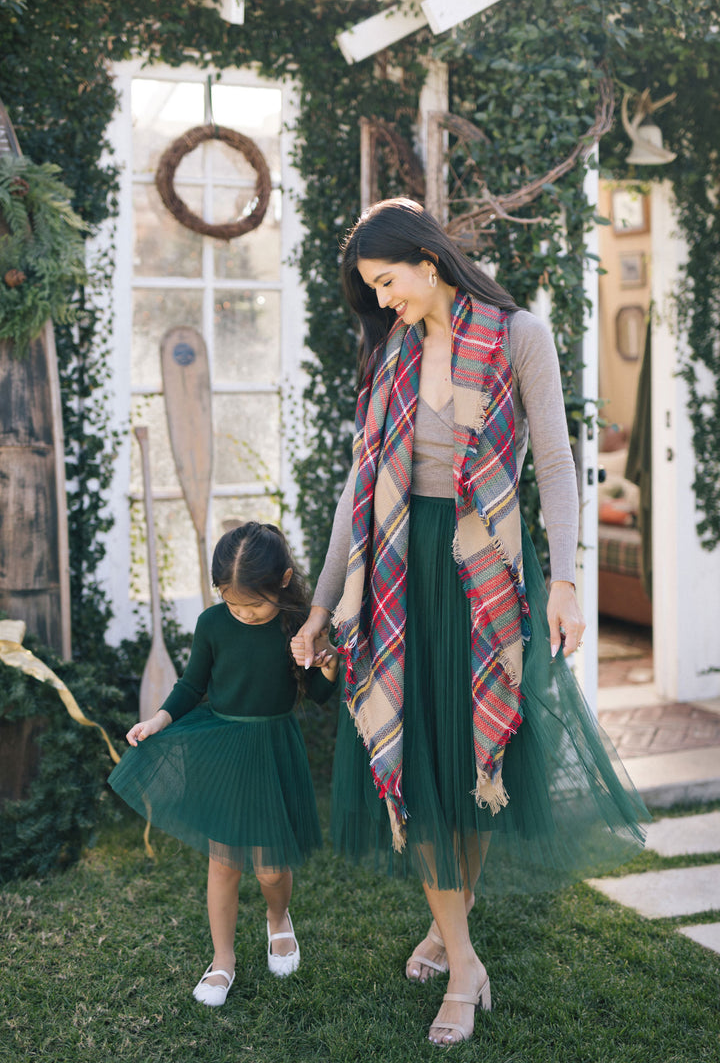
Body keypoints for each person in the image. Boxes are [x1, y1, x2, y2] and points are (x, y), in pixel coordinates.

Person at [291, 199, 648, 1046]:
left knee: (472, 760)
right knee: (416, 766)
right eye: (373, 290)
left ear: (428, 260)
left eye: (388, 282)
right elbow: (356, 491)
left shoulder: (520, 336)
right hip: (397, 576)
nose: (383, 301)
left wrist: (567, 582)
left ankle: (451, 924)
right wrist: (320, 605)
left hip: (486, 573)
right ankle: (462, 960)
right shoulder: (391, 351)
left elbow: (555, 463)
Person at [109, 522, 339, 1007]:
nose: (244, 614)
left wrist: (328, 663)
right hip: (223, 749)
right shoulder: (213, 624)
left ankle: (278, 918)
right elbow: (193, 685)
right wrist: (159, 719)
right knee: (224, 863)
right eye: (233, 604)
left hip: (273, 749)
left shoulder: (297, 623)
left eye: (254, 605)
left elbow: (320, 693)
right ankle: (222, 958)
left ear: (283, 580)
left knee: (271, 869)